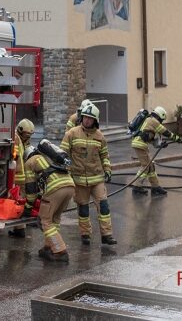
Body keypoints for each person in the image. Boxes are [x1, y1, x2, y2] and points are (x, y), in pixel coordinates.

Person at [64, 104, 117, 245]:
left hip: (97, 178)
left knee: (104, 206)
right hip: (79, 179)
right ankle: (85, 234)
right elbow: (63, 155)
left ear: (95, 121)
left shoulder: (100, 137)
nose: (87, 121)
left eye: (90, 118)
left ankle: (107, 235)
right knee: (83, 208)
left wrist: (108, 170)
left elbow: (105, 155)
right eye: (85, 117)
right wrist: (66, 172)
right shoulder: (72, 133)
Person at [24, 140, 75, 262]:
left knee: (44, 220)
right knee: (54, 219)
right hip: (70, 186)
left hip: (55, 189)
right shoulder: (49, 158)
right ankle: (49, 246)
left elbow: (31, 190)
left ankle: (60, 251)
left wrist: (27, 207)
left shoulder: (31, 162)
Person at [131, 106, 180, 196]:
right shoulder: (153, 121)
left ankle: (155, 187)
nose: (161, 122)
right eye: (162, 119)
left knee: (151, 166)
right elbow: (165, 131)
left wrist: (160, 145)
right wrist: (176, 138)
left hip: (141, 145)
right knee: (146, 166)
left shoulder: (149, 121)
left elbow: (150, 139)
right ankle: (137, 187)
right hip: (140, 145)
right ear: (159, 116)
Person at [9, 118, 35, 238]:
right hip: (17, 177)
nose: (27, 137)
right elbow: (14, 156)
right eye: (26, 134)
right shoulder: (16, 139)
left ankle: (20, 230)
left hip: (22, 178)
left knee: (19, 203)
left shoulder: (25, 141)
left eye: (29, 135)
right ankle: (20, 229)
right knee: (18, 203)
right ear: (20, 131)